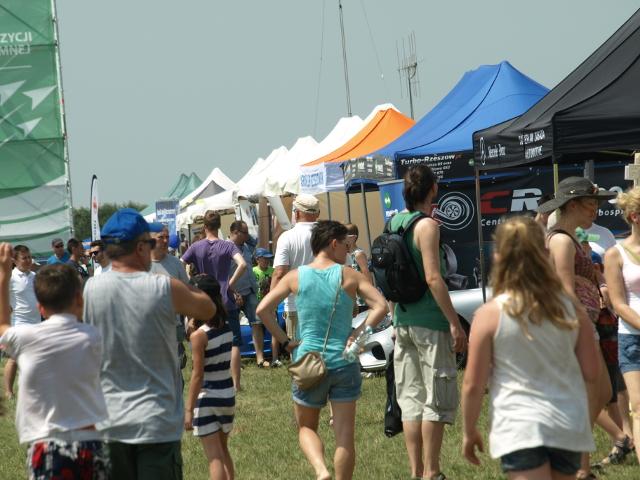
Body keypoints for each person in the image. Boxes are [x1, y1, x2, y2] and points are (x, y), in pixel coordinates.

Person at [83, 208, 215, 480]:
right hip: (156, 421)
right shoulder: (163, 287)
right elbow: (208, 308)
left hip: (109, 421)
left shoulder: (90, 289)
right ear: (141, 247)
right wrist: (182, 282)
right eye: (151, 243)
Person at [462, 216, 598, 480]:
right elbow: (591, 371)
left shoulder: (489, 315)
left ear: (498, 257)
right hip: (567, 422)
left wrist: (469, 431)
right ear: (546, 255)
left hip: (519, 426)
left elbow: (472, 384)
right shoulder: (571, 308)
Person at [257, 220, 388, 480]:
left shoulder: (295, 276)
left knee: (306, 427)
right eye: (346, 246)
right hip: (344, 359)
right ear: (333, 243)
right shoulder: (349, 275)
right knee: (344, 436)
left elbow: (263, 310)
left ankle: (321, 470)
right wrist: (358, 335)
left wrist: (285, 341)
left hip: (308, 359)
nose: (348, 252)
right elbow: (381, 306)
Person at [0, 252, 111, 479]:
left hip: (46, 445)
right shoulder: (94, 336)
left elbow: (3, 326)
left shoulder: (25, 338)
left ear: (40, 308)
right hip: (90, 443)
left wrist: (3, 277)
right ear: (79, 299)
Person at [390, 165, 467, 480]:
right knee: (436, 397)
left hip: (402, 319)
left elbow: (390, 276)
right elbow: (434, 278)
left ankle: (416, 472)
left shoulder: (394, 223)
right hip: (430, 321)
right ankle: (432, 472)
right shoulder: (428, 226)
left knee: (411, 400)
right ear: (433, 189)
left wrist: (394, 318)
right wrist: (454, 322)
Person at [537, 176, 617, 479]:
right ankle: (577, 466)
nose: (595, 209)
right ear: (572, 205)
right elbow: (564, 290)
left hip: (584, 324)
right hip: (575, 326)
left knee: (601, 392)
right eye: (590, 203)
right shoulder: (560, 240)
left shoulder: (569, 237)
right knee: (588, 394)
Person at [182, 211, 247, 391]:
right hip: (224, 298)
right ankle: (236, 384)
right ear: (219, 226)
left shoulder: (196, 246)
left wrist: (191, 282)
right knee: (234, 342)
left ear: (204, 226)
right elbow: (242, 264)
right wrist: (229, 284)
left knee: (202, 339)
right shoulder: (227, 246)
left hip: (203, 300)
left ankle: (202, 378)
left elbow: (181, 262)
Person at [185, 274, 235, 480]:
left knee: (214, 457)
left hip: (207, 397)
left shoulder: (200, 336)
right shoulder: (227, 327)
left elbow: (197, 375)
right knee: (223, 451)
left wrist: (189, 409)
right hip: (227, 394)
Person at [605, 187, 640, 465]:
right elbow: (618, 303)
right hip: (632, 338)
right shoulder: (615, 254)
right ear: (634, 216)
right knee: (638, 407)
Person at [271, 193, 320, 344]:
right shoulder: (329, 235)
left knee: (300, 351)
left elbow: (279, 273)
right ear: (318, 213)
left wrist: (271, 303)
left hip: (296, 305)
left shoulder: (287, 237)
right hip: (328, 303)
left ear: (297, 213)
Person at [150, 225, 191, 373]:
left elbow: (187, 293)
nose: (165, 240)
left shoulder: (176, 263)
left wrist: (190, 321)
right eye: (161, 237)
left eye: (167, 237)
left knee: (176, 370)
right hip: (149, 330)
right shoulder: (140, 265)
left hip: (173, 326)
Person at [3, 245, 41, 400]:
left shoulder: (34, 276)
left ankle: (32, 389)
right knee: (14, 358)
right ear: (14, 260)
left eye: (29, 257)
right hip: (18, 322)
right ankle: (8, 391)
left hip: (36, 321)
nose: (28, 260)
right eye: (24, 258)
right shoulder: (10, 277)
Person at [229, 220, 267, 368]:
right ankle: (235, 360)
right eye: (244, 233)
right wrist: (232, 291)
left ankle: (260, 358)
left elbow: (254, 240)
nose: (247, 236)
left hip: (250, 291)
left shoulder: (246, 246)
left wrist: (244, 233)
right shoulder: (225, 247)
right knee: (233, 328)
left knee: (256, 323)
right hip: (234, 293)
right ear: (235, 232)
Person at [254, 247, 281, 366]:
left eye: (268, 259)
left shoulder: (273, 271)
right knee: (258, 328)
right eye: (264, 259)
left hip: (271, 305)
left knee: (274, 329)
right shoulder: (253, 271)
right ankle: (260, 358)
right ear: (257, 259)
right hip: (257, 304)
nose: (267, 261)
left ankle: (275, 358)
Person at [344, 223, 373, 314]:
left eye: (345, 236)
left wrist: (370, 295)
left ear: (353, 238)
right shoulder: (345, 254)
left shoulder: (358, 254)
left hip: (361, 298)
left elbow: (366, 274)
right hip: (352, 297)